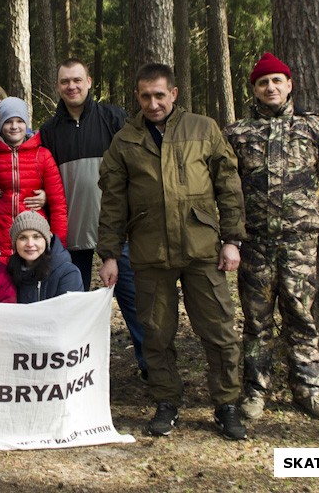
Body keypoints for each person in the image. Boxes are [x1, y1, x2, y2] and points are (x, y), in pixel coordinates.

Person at [97, 63, 248, 440]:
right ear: (137, 96)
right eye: (145, 96)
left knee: (219, 331)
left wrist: (232, 239)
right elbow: (113, 203)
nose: (153, 103)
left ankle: (226, 404)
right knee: (155, 334)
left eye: (159, 95)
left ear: (174, 94)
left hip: (202, 250)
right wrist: (110, 254)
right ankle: (167, 401)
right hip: (150, 252)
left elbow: (228, 186)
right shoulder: (125, 141)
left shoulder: (203, 129)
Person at [223, 52, 319, 421]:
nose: (271, 87)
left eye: (277, 80)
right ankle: (255, 391)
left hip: (300, 245)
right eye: (263, 82)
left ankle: (308, 390)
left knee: (300, 317)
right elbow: (226, 187)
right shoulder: (238, 133)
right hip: (256, 244)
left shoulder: (316, 129)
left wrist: (306, 209)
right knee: (256, 321)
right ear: (255, 89)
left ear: (289, 84)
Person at [39, 58, 147, 381]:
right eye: (64, 82)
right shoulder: (48, 131)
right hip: (71, 235)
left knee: (134, 302)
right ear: (57, 87)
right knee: (71, 308)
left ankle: (150, 366)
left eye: (76, 80)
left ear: (89, 82)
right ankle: (71, 371)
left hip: (117, 233)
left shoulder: (114, 119)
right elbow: (40, 175)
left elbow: (137, 167)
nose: (71, 86)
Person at [0, 96, 68, 262]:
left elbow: (58, 205)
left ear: (26, 123)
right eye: (8, 121)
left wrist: (58, 246)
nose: (14, 126)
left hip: (33, 242)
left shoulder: (42, 156)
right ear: (0, 124)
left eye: (19, 121)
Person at [8, 210, 83, 304]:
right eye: (23, 238)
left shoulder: (67, 273)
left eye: (36, 237)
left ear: (46, 240)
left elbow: (71, 313)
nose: (30, 244)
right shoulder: (9, 272)